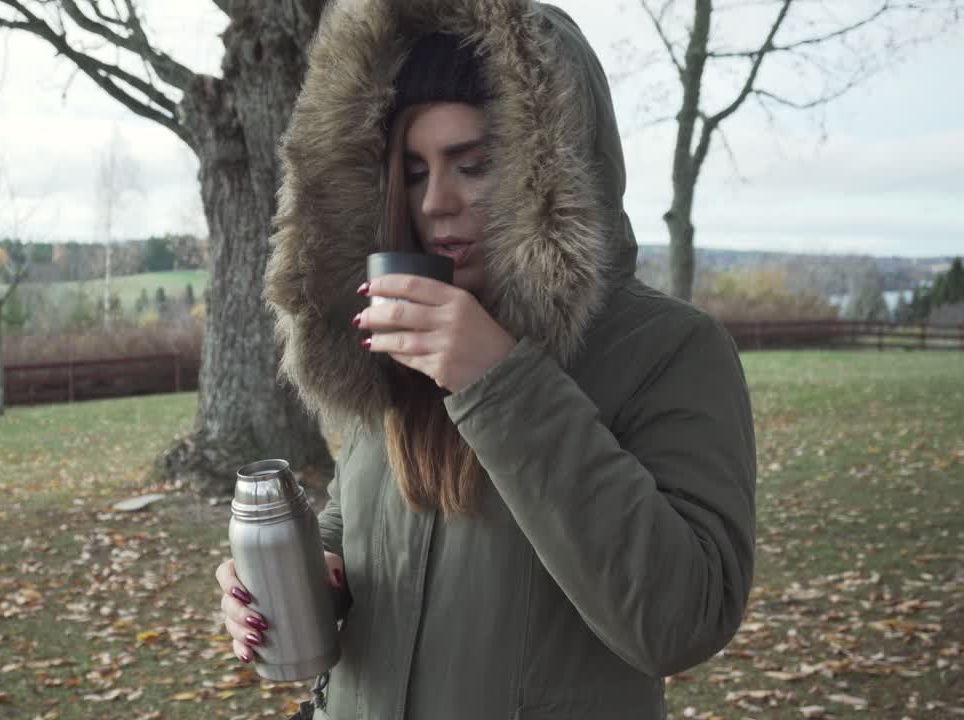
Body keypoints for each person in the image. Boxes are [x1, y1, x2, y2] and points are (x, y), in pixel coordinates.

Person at [216, 2, 757, 718]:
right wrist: (310, 578)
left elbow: (682, 619)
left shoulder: (670, 350)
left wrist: (497, 381)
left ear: (555, 171)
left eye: (475, 164)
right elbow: (356, 527)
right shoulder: (398, 331)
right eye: (412, 172)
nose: (437, 202)